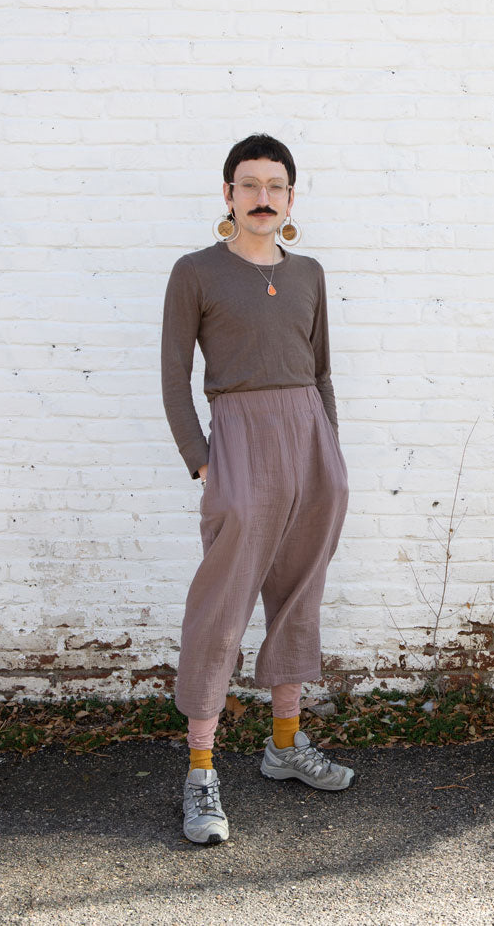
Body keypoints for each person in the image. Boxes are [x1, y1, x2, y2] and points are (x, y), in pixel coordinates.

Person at [161, 133, 354, 846]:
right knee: (222, 603)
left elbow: (323, 369)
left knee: (299, 594)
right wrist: (203, 461)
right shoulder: (197, 273)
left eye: (276, 185)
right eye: (249, 185)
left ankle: (283, 744)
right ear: (228, 195)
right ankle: (201, 770)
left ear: (291, 197)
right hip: (238, 440)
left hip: (309, 439)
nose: (263, 197)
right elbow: (174, 375)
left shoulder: (308, 273)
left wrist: (329, 453)